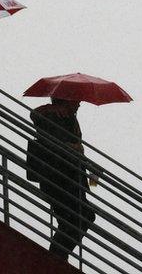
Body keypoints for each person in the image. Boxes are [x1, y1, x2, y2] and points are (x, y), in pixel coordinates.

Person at [30, 98, 96, 260]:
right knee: (80, 217)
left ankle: (57, 257)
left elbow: (69, 147)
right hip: (61, 179)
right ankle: (55, 258)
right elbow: (57, 143)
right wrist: (75, 148)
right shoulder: (54, 116)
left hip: (69, 179)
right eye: (76, 100)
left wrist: (89, 167)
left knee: (74, 219)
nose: (79, 104)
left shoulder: (66, 117)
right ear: (66, 99)